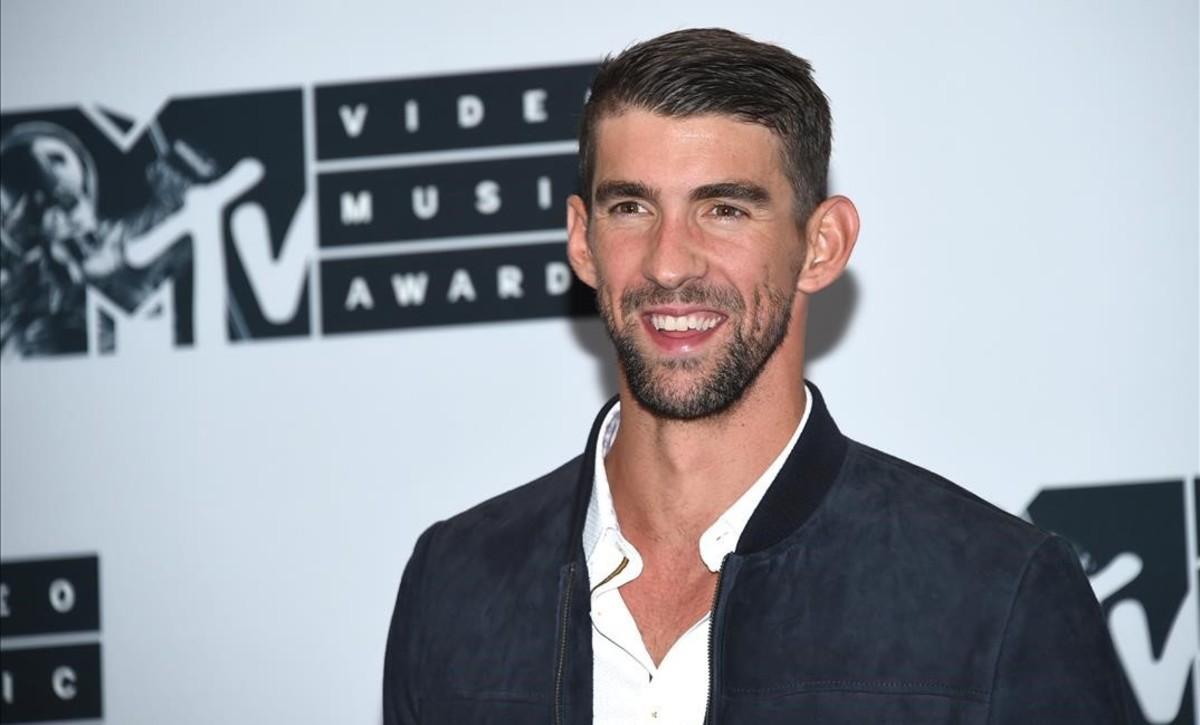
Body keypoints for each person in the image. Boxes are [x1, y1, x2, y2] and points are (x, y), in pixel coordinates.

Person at [383, 28, 1128, 724]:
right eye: (632, 206)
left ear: (821, 245)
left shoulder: (995, 594)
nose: (669, 262)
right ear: (583, 241)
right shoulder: (454, 584)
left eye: (725, 209)